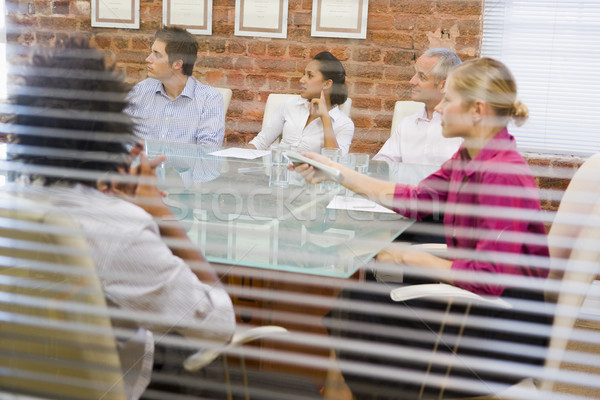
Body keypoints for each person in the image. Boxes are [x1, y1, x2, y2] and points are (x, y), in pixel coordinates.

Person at [292, 58, 551, 399]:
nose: (439, 107)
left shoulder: (502, 173)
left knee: (360, 312)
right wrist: (334, 171)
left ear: (477, 110)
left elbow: (490, 278)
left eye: (449, 100)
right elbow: (414, 198)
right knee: (357, 299)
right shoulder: (469, 156)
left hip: (504, 329)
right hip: (482, 304)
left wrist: (405, 258)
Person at [2, 37, 235, 399]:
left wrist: (102, 181)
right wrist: (160, 214)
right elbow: (218, 327)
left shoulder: (11, 200)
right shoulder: (121, 227)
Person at [125, 27, 225, 146]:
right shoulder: (140, 90)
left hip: (186, 165)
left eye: (157, 54)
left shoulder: (209, 99)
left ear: (177, 64)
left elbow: (208, 152)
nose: (148, 59)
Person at [249, 51, 355, 155]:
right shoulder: (290, 105)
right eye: (304, 74)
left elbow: (336, 164)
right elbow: (260, 142)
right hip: (280, 169)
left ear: (327, 84)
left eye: (310, 75)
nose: (301, 80)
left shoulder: (344, 124)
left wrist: (325, 118)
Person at [373, 48, 463, 166]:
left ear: (444, 85)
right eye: (415, 74)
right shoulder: (407, 124)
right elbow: (383, 163)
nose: (412, 81)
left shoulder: (465, 129)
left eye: (421, 76)